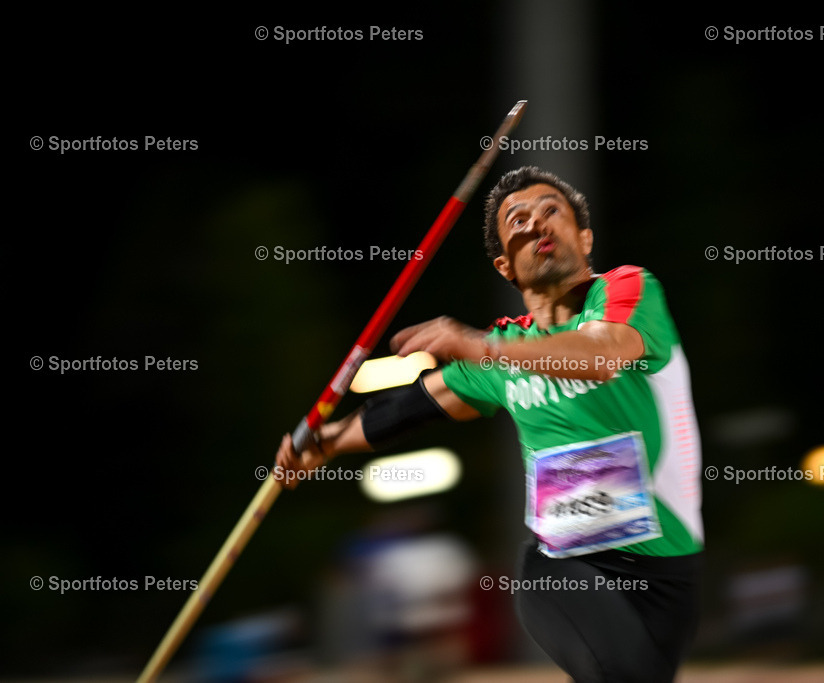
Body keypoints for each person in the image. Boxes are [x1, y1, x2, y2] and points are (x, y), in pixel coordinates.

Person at [276, 166, 704, 682]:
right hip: (564, 567)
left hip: (668, 573)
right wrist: (326, 443)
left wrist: (477, 345)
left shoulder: (627, 291)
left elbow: (601, 354)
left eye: (552, 212)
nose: (538, 225)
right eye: (518, 220)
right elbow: (416, 404)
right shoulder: (502, 356)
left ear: (584, 237)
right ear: (505, 265)